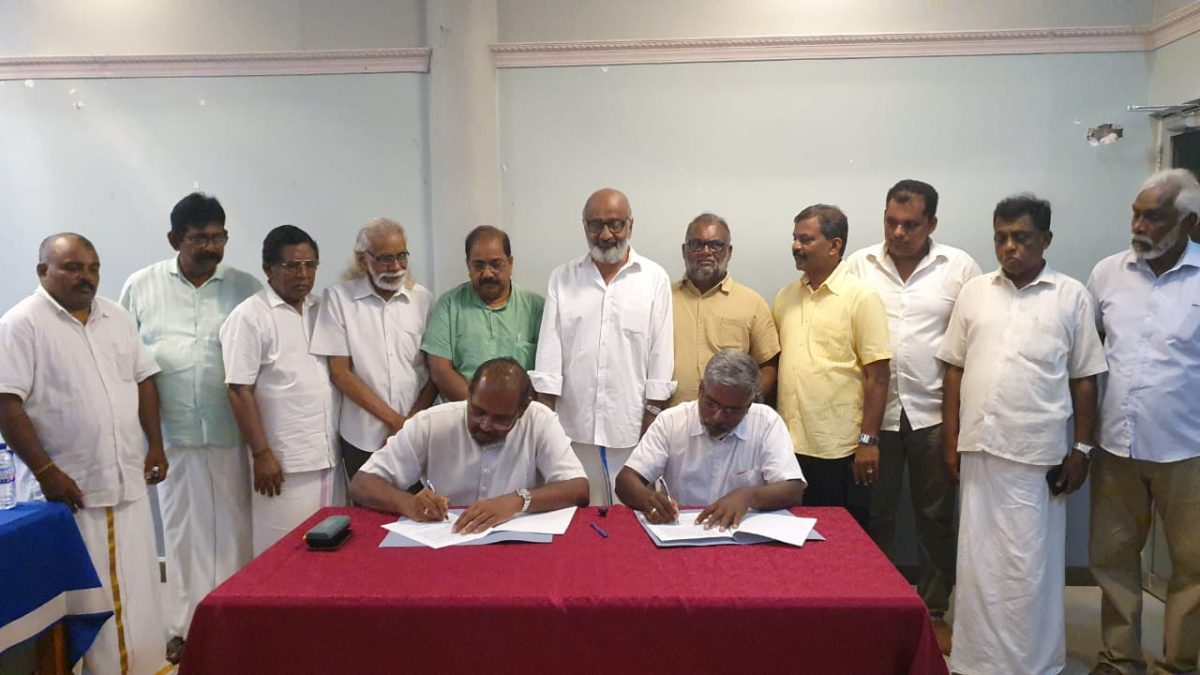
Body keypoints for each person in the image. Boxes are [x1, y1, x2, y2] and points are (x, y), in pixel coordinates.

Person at [938, 194, 1107, 674]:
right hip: (978, 448)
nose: (1009, 247)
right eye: (1001, 237)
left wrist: (1082, 449)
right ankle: (976, 659)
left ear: (1046, 240)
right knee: (978, 564)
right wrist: (950, 439)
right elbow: (954, 369)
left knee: (1029, 565)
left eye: (1021, 237)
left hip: (1038, 454)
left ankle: (1033, 662)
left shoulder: (1071, 296)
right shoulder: (975, 292)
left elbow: (1085, 378)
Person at [0, 233, 170, 674]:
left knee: (139, 590)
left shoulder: (116, 316)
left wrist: (155, 443)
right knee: (88, 601)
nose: (86, 277)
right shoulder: (21, 324)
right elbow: (6, 402)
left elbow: (143, 380)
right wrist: (46, 471)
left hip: (126, 482)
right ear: (43, 271)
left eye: (93, 268)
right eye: (73, 267)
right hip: (69, 493)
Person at [119, 192, 261, 661]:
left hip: (232, 431)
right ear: (174, 238)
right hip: (171, 435)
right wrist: (148, 442)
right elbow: (129, 364)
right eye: (200, 238)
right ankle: (184, 627)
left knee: (237, 528)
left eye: (218, 237)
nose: (211, 247)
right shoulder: (141, 287)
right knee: (181, 533)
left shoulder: (245, 287)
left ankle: (236, 619)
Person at [845, 179, 980, 650]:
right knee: (875, 513)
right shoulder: (859, 264)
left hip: (934, 412)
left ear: (932, 224)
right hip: (873, 414)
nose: (898, 233)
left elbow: (973, 339)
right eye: (891, 222)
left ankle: (934, 609)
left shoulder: (958, 267)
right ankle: (877, 605)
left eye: (911, 225)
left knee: (935, 515)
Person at [1087, 168, 1200, 675]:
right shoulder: (1107, 274)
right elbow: (1087, 354)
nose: (1138, 225)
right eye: (1136, 214)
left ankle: (1178, 663)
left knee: (1192, 566)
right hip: (1117, 445)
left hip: (1188, 449)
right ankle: (1119, 657)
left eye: (1153, 217)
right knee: (1112, 558)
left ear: (1188, 222)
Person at [531, 188, 675, 505]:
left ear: (630, 226)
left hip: (631, 427)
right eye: (595, 225)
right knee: (576, 514)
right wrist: (547, 428)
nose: (606, 234)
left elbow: (661, 358)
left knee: (630, 517)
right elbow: (549, 358)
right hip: (572, 427)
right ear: (584, 226)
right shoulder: (562, 277)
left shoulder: (654, 279)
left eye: (615, 224)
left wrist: (650, 422)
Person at [349, 358, 589, 533]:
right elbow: (361, 484)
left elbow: (578, 489)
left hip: (516, 546)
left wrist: (517, 501)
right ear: (469, 393)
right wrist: (408, 503)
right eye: (478, 411)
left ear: (522, 409)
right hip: (444, 541)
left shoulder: (539, 420)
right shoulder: (431, 422)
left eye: (500, 419)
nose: (485, 425)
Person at [221, 225, 342, 557]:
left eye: (310, 265)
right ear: (268, 269)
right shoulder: (249, 317)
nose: (303, 275)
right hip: (282, 466)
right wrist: (262, 454)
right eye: (291, 266)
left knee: (330, 552)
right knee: (283, 555)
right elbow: (239, 390)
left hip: (328, 458)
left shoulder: (322, 310)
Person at [773, 204, 891, 529]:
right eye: (795, 238)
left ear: (834, 245)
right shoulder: (785, 297)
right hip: (788, 448)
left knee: (840, 540)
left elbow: (879, 376)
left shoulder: (861, 297)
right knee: (791, 536)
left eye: (806, 239)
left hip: (840, 450)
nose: (796, 246)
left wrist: (868, 442)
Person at [616, 350, 805, 530]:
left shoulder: (766, 422)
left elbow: (793, 490)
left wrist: (748, 496)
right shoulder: (672, 421)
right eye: (711, 404)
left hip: (742, 534)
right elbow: (625, 481)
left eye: (731, 410)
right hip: (682, 532)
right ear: (701, 390)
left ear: (748, 405)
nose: (718, 417)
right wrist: (649, 500)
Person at [310, 218, 437, 480]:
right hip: (362, 435)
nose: (396, 267)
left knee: (420, 503)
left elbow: (435, 369)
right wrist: (394, 422)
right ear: (362, 260)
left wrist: (411, 421)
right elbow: (340, 373)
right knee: (367, 503)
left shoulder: (423, 299)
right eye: (385, 259)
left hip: (417, 431)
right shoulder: (339, 298)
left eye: (402, 256)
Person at [421, 226, 545, 402]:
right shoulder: (449, 305)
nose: (487, 273)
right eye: (478, 265)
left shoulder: (536, 307)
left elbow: (546, 371)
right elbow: (440, 370)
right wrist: (479, 408)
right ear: (468, 265)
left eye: (496, 264)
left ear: (510, 263)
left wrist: (511, 411)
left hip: (521, 413)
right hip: (463, 411)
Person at [670, 213, 779, 407]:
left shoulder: (752, 303)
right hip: (670, 418)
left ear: (729, 252)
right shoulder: (663, 299)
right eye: (697, 244)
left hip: (732, 420)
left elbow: (769, 366)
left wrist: (741, 406)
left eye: (715, 245)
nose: (706, 251)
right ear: (684, 251)